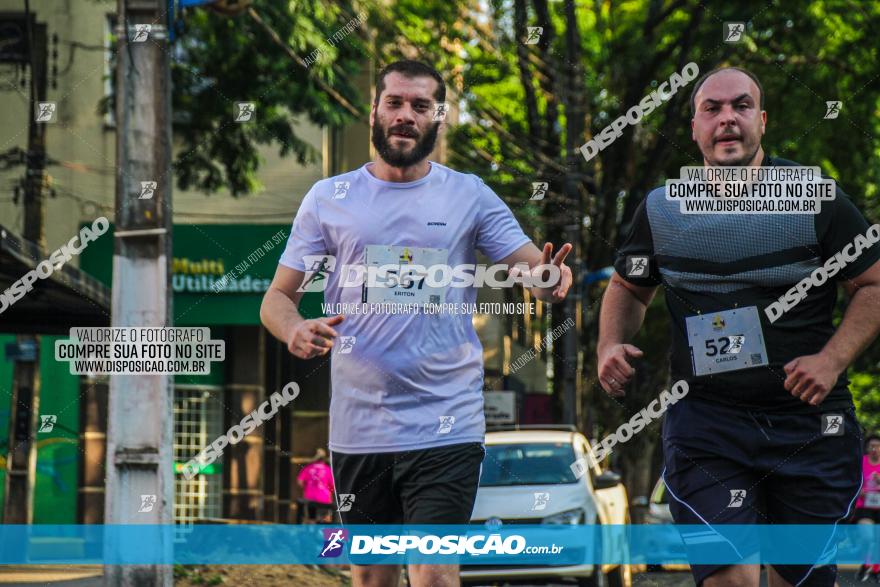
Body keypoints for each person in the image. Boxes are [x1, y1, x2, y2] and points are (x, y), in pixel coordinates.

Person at [261, 59, 572, 587]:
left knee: (432, 572)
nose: (406, 115)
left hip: (446, 421)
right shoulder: (329, 199)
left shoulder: (468, 194)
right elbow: (277, 298)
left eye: (421, 105)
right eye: (395, 102)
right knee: (373, 577)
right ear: (374, 110)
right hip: (359, 429)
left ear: (439, 117)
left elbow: (525, 262)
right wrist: (293, 327)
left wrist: (545, 277)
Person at [597, 65, 880, 587]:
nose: (727, 119)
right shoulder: (662, 210)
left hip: (808, 427)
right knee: (733, 577)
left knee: (798, 580)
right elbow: (628, 287)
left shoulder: (814, 196)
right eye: (712, 109)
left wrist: (832, 359)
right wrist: (611, 344)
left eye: (741, 106)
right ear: (694, 129)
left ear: (763, 121)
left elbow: (873, 284)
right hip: (707, 423)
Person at [855, 435, 880, 582]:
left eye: (877, 446)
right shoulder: (861, 462)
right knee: (867, 536)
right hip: (864, 507)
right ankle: (866, 562)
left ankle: (875, 569)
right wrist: (859, 491)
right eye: (871, 446)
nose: (874, 449)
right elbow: (851, 481)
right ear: (867, 448)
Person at [296, 448, 335, 524]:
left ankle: (312, 528)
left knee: (311, 519)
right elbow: (333, 486)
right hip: (324, 499)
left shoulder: (308, 468)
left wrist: (307, 488)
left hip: (310, 499)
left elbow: (300, 482)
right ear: (324, 459)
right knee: (325, 519)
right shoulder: (327, 469)